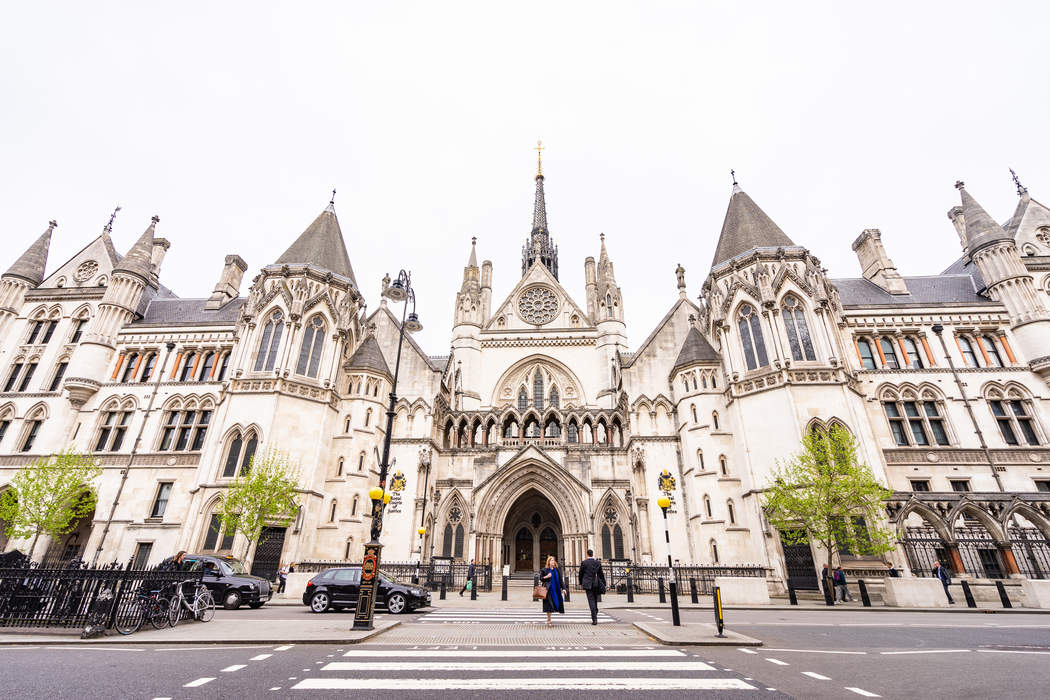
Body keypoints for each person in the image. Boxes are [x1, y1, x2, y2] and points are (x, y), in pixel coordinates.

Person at [578, 549, 607, 625]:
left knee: (591, 601)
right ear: (592, 554)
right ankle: (595, 611)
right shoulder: (597, 562)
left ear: (587, 554)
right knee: (595, 599)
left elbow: (580, 574)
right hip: (596, 583)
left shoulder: (584, 563)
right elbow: (601, 574)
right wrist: (604, 583)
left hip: (588, 584)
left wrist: (581, 582)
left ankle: (594, 618)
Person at [540, 555, 565, 627]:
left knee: (555, 604)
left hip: (556, 590)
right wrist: (547, 576)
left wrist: (563, 588)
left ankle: (549, 619)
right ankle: (549, 620)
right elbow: (541, 578)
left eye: (553, 560)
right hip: (548, 590)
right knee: (549, 605)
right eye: (551, 560)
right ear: (548, 562)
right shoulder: (544, 570)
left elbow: (560, 580)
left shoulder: (556, 570)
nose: (553, 562)